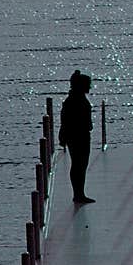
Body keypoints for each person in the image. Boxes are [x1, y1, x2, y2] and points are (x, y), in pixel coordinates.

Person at [58, 69, 95, 204]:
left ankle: (80, 193)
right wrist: (63, 136)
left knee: (80, 165)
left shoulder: (75, 98)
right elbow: (66, 120)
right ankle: (78, 194)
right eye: (88, 84)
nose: (90, 87)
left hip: (80, 135)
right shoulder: (73, 100)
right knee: (79, 164)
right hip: (78, 136)